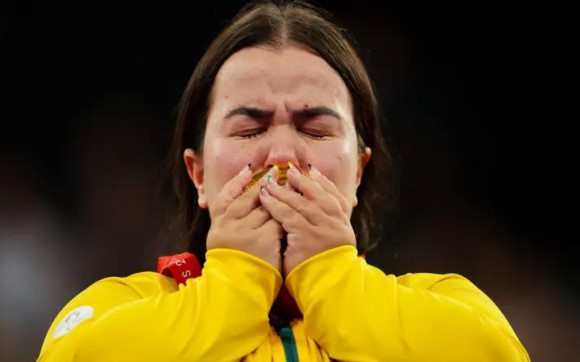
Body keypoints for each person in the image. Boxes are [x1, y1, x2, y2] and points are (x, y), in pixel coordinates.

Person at [37, 0, 530, 360]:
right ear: (199, 175)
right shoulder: (116, 312)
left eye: (314, 129)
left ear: (358, 172)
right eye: (249, 128)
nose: (281, 155)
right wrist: (235, 284)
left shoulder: (447, 311)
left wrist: (332, 280)